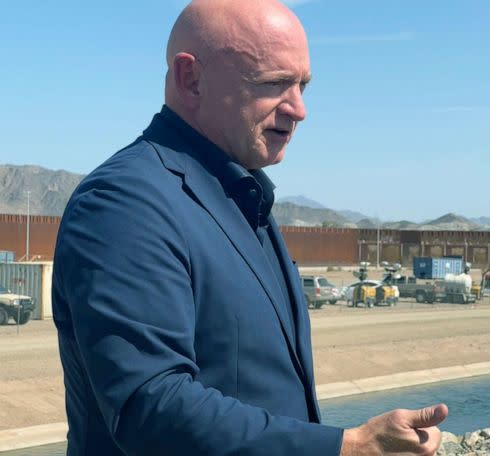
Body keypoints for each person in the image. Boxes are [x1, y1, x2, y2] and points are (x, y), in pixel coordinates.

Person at [52, 0, 448, 455]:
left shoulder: (243, 196)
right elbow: (150, 405)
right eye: (275, 84)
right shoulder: (124, 203)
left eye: (302, 85)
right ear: (191, 79)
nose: (299, 109)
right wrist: (345, 447)